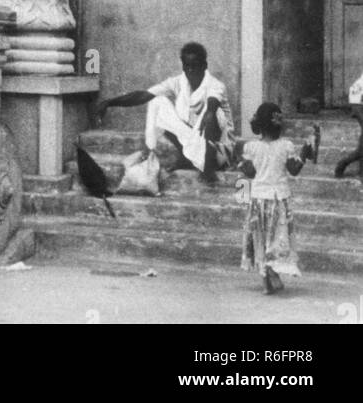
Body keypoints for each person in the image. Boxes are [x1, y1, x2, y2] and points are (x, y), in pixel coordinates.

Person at [96, 41, 235, 184]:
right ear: (183, 66)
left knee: (213, 111)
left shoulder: (215, 85)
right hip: (192, 145)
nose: (191, 70)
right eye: (187, 66)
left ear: (204, 66)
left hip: (217, 153)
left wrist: (210, 112)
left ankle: (207, 168)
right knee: (157, 101)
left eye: (195, 66)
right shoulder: (178, 82)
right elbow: (143, 95)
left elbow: (212, 104)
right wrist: (109, 102)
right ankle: (160, 154)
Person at [238, 101, 318, 294]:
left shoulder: (251, 147)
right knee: (276, 239)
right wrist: (305, 153)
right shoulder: (286, 146)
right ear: (279, 125)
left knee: (261, 238)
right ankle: (273, 273)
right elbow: (294, 170)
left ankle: (266, 278)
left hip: (258, 200)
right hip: (278, 200)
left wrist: (239, 162)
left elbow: (248, 173)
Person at [334, 72, 363, 180]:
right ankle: (341, 165)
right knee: (361, 150)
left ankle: (360, 172)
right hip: (359, 109)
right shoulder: (359, 84)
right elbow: (355, 107)